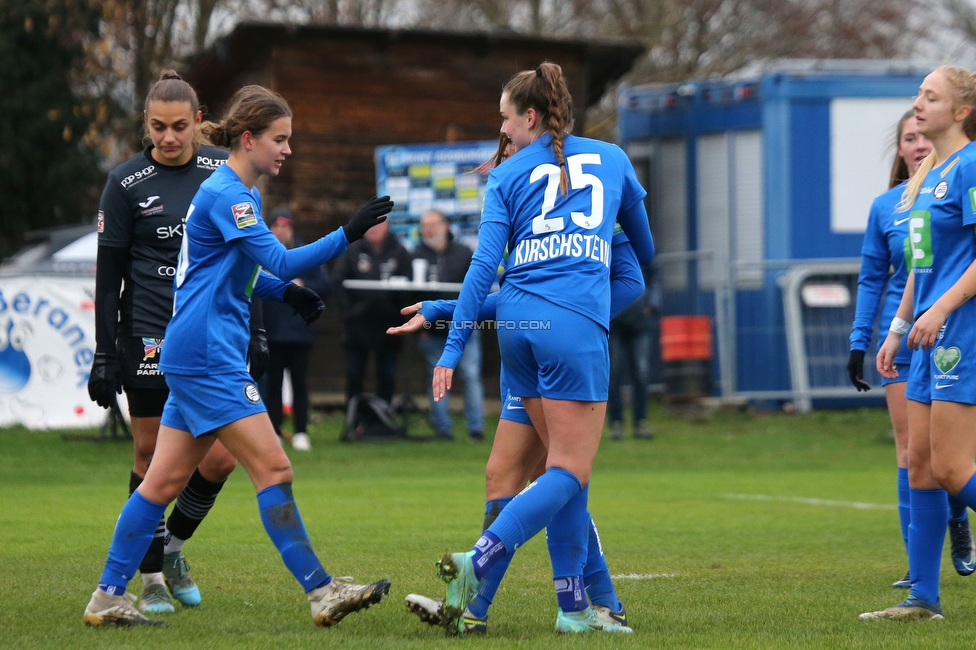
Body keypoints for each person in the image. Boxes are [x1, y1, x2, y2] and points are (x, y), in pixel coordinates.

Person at [83, 84, 394, 628]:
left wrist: (284, 293)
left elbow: (235, 271)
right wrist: (349, 231)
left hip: (194, 348)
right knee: (273, 465)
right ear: (248, 139)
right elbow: (279, 256)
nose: (287, 150)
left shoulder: (228, 190)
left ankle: (107, 596)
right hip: (208, 354)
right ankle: (321, 590)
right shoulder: (229, 193)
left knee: (159, 483)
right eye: (280, 139)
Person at [428, 62, 654, 635]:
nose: (501, 133)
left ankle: (554, 608)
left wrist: (452, 342)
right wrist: (595, 282)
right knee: (569, 472)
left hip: (515, 327)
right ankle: (474, 564)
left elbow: (485, 268)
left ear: (530, 117)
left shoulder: (506, 178)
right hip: (569, 332)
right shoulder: (613, 160)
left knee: (518, 474)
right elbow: (640, 264)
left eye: (504, 121)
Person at [390, 222, 646, 635]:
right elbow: (511, 299)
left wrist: (574, 318)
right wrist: (444, 309)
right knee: (516, 477)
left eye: (508, 150)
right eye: (501, 152)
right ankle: (482, 610)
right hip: (523, 355)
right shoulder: (519, 193)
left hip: (561, 349)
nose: (502, 157)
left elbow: (632, 279)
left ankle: (489, 596)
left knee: (562, 474)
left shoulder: (586, 179)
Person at [88, 70, 260, 614]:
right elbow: (107, 274)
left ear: (200, 122)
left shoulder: (223, 171)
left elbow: (247, 256)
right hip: (148, 333)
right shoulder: (124, 183)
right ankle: (152, 577)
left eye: (180, 126)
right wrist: (103, 352)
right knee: (150, 455)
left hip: (213, 335)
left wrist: (254, 326)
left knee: (223, 461)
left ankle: (176, 547)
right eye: (158, 127)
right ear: (146, 124)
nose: (168, 137)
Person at [864, 65, 976, 621]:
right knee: (922, 468)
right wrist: (898, 327)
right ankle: (922, 600)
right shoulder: (929, 171)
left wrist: (943, 308)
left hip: (962, 332)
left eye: (930, 97)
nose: (918, 104)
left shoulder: (973, 164)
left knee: (954, 468)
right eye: (918, 95)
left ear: (961, 112)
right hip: (928, 335)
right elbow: (922, 263)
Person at [262, 206, 331, 451]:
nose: (281, 231)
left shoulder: (305, 254)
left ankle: (301, 431)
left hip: (300, 332)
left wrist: (302, 284)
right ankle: (274, 432)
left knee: (300, 383)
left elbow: (324, 284)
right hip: (271, 332)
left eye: (285, 226)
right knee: (273, 385)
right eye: (276, 226)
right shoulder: (261, 253)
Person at [412, 209, 484, 440]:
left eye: (432, 224)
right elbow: (408, 296)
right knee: (437, 376)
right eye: (424, 225)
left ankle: (476, 429)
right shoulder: (415, 255)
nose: (428, 230)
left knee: (470, 376)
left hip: (465, 328)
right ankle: (443, 429)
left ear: (445, 225)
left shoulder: (464, 253)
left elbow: (478, 290)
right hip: (432, 330)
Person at [331, 218, 412, 405]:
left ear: (388, 227)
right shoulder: (352, 249)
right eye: (370, 225)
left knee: (388, 374)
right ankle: (355, 420)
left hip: (388, 324)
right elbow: (337, 281)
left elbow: (409, 288)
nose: (373, 229)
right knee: (354, 374)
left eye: (378, 225)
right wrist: (347, 314)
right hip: (358, 323)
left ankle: (384, 419)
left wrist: (399, 315)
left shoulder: (400, 251)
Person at [607, 262, 658, 440]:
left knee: (641, 373)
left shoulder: (643, 246)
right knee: (613, 373)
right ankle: (616, 424)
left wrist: (651, 304)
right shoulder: (606, 245)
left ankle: (641, 423)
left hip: (641, 322)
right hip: (614, 322)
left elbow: (655, 278)